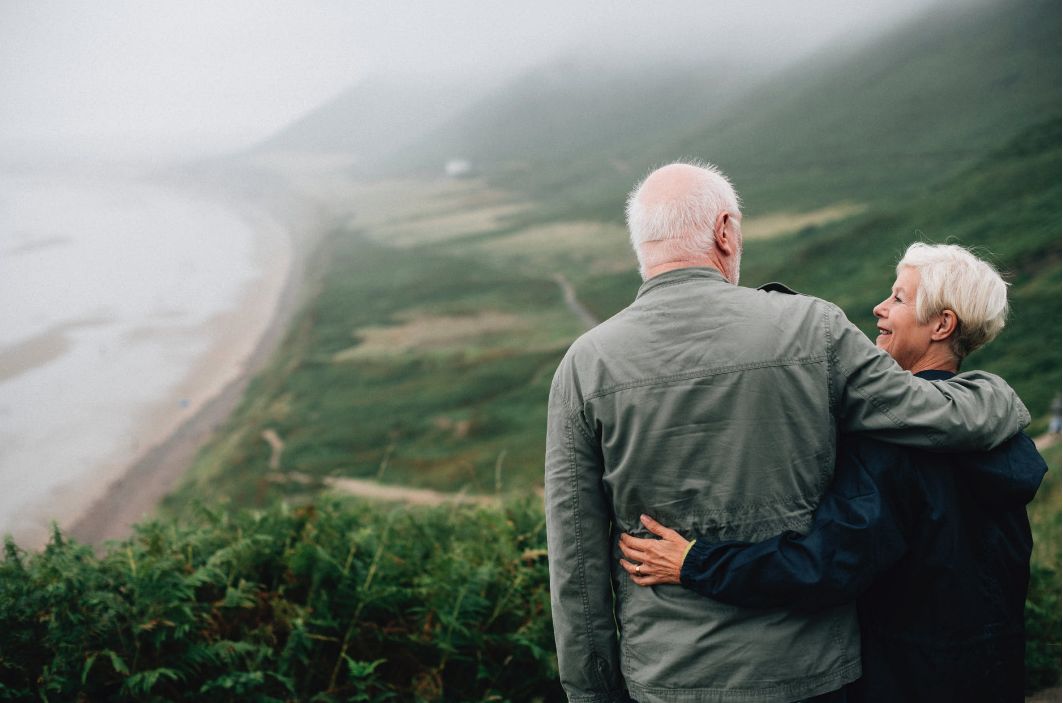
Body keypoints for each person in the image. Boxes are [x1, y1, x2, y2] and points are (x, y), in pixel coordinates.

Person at [544, 162, 1031, 703]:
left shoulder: (583, 366)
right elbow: (933, 415)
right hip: (815, 673)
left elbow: (577, 565)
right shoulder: (813, 328)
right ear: (725, 230)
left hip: (667, 676)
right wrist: (998, 394)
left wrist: (592, 692)